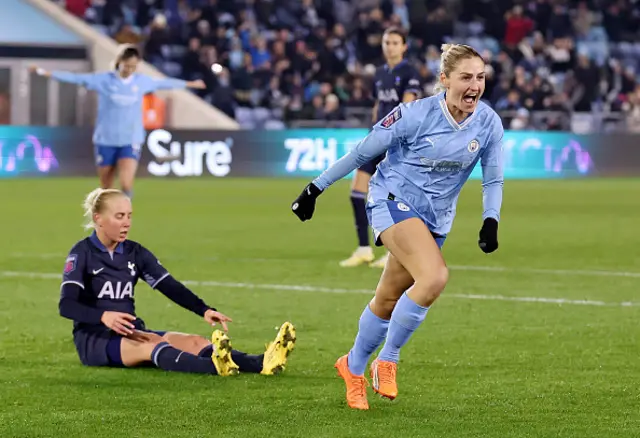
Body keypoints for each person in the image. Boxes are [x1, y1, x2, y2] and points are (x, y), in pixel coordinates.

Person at [291, 43, 503, 410]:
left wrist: (490, 220)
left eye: (480, 77)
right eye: (466, 77)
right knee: (434, 277)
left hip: (436, 219)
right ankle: (387, 360)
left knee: (387, 298)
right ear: (444, 80)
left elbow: (493, 179)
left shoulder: (488, 123)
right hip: (391, 199)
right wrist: (314, 188)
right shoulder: (414, 115)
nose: (475, 85)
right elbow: (362, 152)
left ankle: (352, 367)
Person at [59, 187, 296, 376]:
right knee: (151, 346)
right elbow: (67, 305)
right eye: (119, 216)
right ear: (98, 219)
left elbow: (168, 285)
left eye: (129, 216)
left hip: (130, 330)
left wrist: (204, 310)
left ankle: (262, 362)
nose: (126, 223)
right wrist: (103, 316)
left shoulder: (135, 252)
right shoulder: (82, 254)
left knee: (194, 341)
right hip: (95, 339)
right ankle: (215, 367)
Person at [30, 44, 205, 199]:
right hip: (106, 138)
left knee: (126, 183)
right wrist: (44, 72)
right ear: (119, 61)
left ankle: (124, 216)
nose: (130, 69)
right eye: (127, 65)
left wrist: (189, 84)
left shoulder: (141, 82)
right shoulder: (104, 80)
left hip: (131, 138)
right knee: (106, 187)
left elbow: (165, 83)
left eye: (134, 66)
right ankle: (107, 219)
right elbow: (76, 78)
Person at [341, 27, 422, 269]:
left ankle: (395, 253)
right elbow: (379, 104)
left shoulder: (409, 71)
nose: (390, 46)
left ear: (404, 46)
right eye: (387, 42)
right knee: (357, 191)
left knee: (391, 197)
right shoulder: (379, 73)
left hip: (396, 141)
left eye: (395, 42)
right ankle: (364, 249)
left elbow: (408, 106)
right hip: (377, 138)